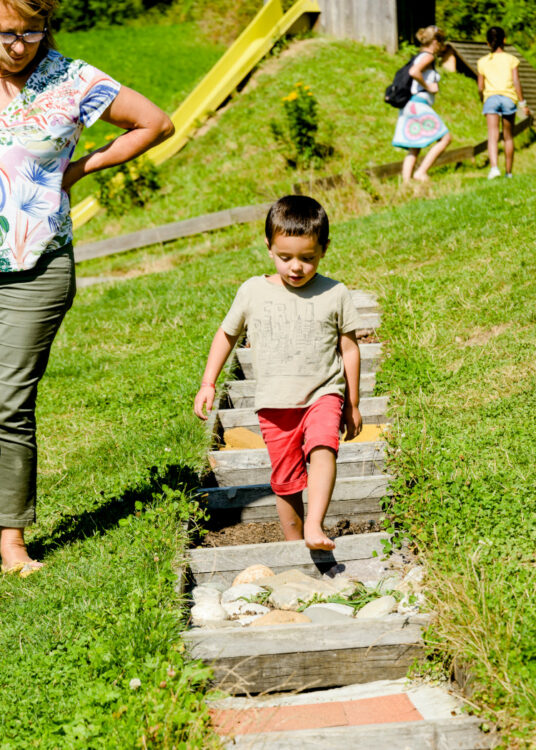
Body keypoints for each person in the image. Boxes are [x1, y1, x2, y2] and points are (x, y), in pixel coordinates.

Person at [0, 0, 174, 576]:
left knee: (8, 402)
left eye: (30, 31)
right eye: (5, 32)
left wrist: (83, 167)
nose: (18, 44)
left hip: (36, 265)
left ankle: (11, 543)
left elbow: (156, 122)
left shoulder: (72, 80)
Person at [194, 195, 362, 551]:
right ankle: (294, 546)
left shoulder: (336, 293)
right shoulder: (253, 291)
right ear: (269, 246)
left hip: (323, 393)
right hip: (274, 403)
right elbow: (226, 334)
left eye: (308, 258)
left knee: (323, 447)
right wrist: (208, 382)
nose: (296, 267)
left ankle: (315, 526)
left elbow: (349, 348)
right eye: (285, 258)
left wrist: (353, 403)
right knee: (285, 481)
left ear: (324, 249)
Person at [392, 25, 452, 183]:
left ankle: (406, 183)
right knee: (445, 138)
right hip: (418, 104)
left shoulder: (418, 56)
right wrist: (428, 86)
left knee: (414, 146)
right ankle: (421, 172)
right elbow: (414, 72)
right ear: (434, 42)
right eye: (440, 42)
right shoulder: (428, 56)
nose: (441, 46)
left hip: (410, 105)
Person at [477, 26, 530, 179]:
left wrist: (483, 100)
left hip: (491, 99)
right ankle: (509, 172)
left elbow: (480, 87)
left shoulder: (482, 61)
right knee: (508, 136)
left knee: (492, 135)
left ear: (488, 43)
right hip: (508, 98)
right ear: (504, 40)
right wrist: (522, 103)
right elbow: (516, 82)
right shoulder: (512, 59)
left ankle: (494, 168)